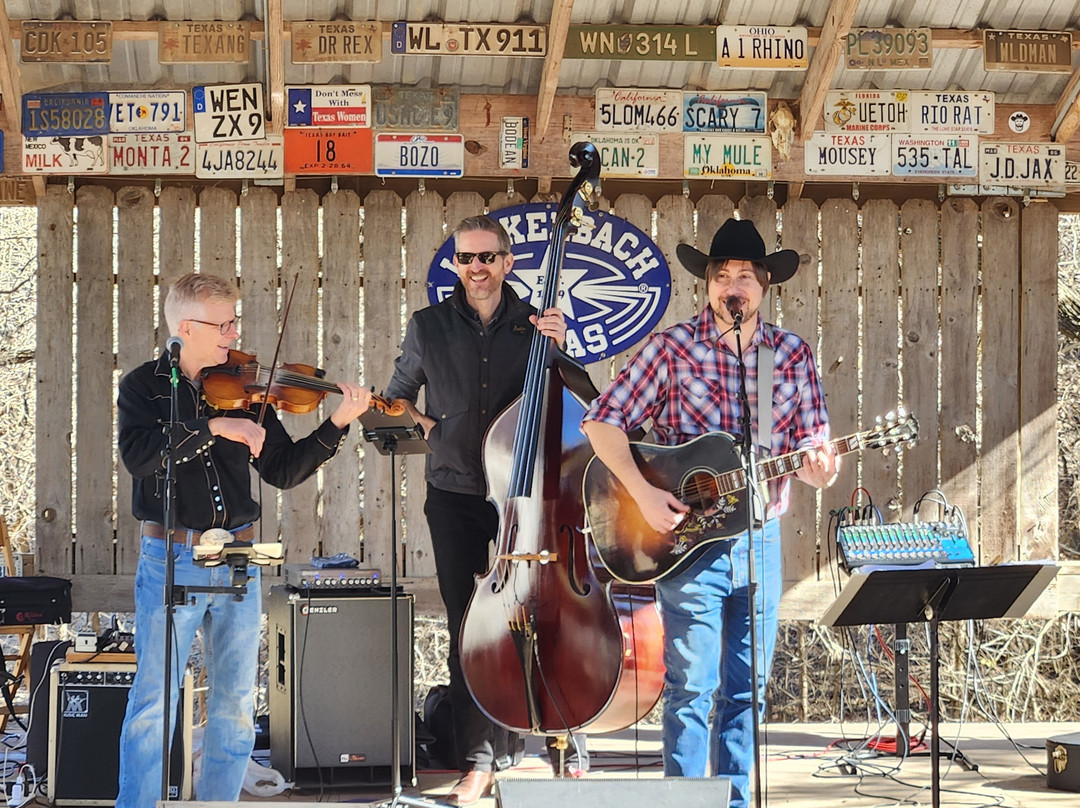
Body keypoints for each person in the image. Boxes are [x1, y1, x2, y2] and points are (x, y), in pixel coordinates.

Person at [581, 218, 839, 808]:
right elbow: (601, 422)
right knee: (692, 686)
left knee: (749, 687)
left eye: (744, 275)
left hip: (760, 541)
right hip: (687, 548)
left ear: (764, 285)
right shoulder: (673, 349)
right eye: (722, 275)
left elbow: (810, 453)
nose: (733, 285)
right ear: (708, 285)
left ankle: (738, 800)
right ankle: (686, 801)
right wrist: (644, 495)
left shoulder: (789, 356)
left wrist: (822, 468)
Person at [115, 273, 371, 806]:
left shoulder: (247, 386)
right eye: (223, 323)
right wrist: (213, 427)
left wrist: (338, 423)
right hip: (172, 556)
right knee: (154, 702)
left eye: (235, 320)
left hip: (238, 555)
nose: (234, 332)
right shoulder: (142, 385)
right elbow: (138, 455)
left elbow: (282, 469)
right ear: (186, 327)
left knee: (234, 703)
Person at [384, 215, 586, 806]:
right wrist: (428, 425)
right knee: (469, 627)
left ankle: (551, 736)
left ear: (507, 262)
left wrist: (561, 347)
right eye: (466, 258)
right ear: (457, 265)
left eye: (488, 257)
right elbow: (397, 395)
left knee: (538, 616)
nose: (477, 268)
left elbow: (577, 399)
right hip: (454, 497)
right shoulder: (428, 326)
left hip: (525, 499)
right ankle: (478, 761)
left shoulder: (536, 325)